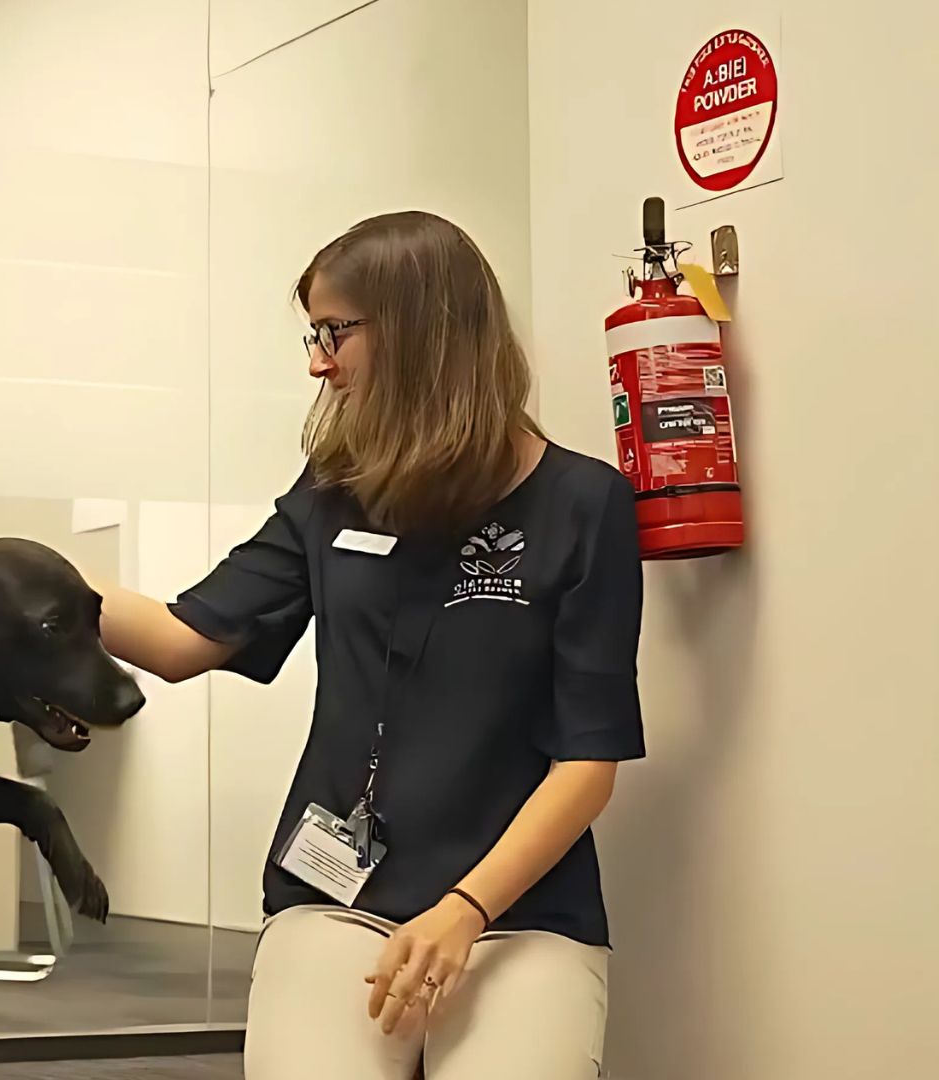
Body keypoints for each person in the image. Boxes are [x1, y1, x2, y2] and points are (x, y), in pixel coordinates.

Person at [100, 211, 643, 1079]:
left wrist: (466, 907)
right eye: (313, 334)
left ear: (424, 328)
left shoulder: (585, 504)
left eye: (335, 332)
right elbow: (178, 638)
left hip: (520, 914)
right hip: (337, 901)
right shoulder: (334, 493)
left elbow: (589, 764)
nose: (317, 362)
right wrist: (11, 581)